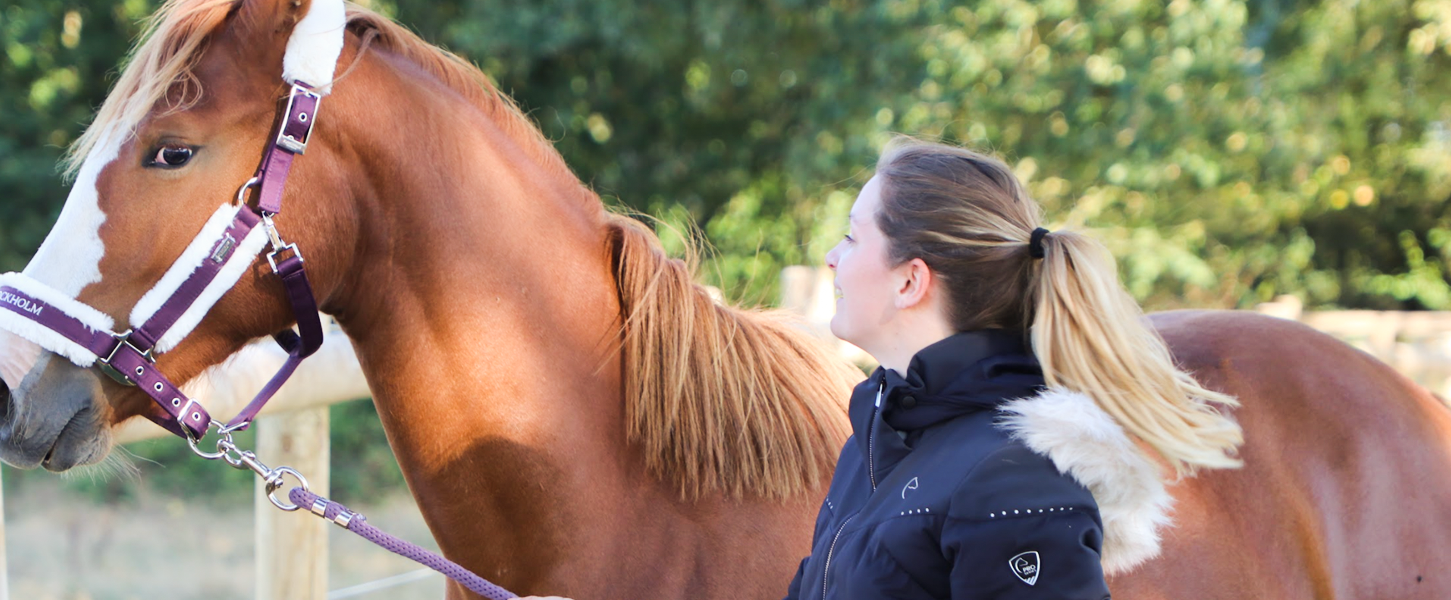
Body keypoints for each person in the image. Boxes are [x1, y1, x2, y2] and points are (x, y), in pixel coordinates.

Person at [526, 138, 1244, 599]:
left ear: (910, 281)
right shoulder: (880, 442)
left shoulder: (1017, 480)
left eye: (852, 236)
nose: (833, 258)